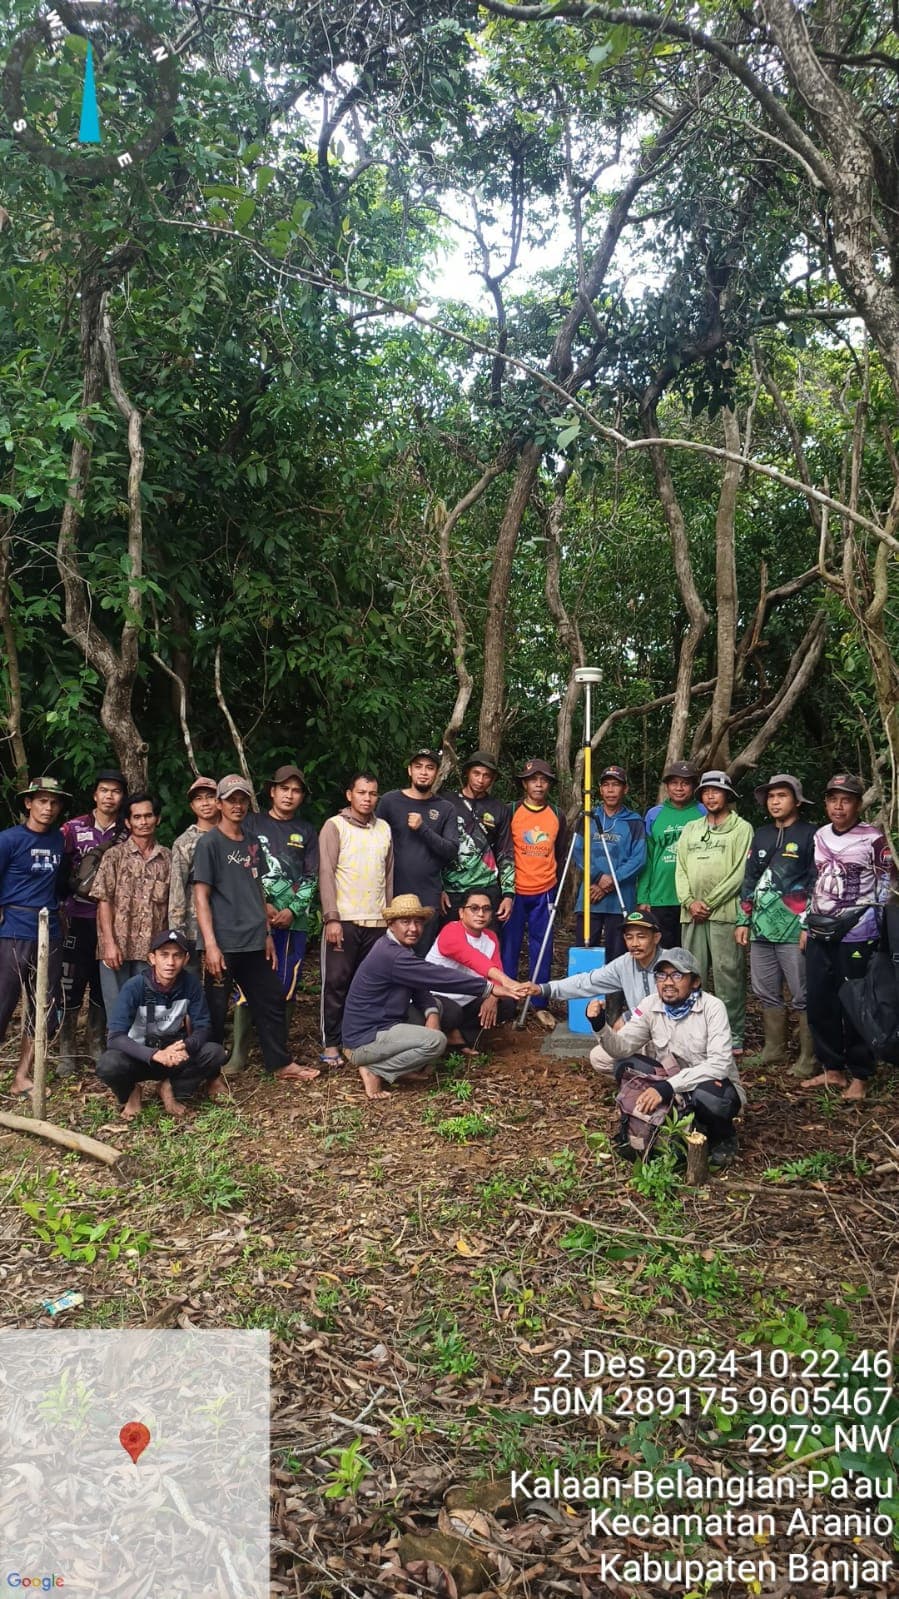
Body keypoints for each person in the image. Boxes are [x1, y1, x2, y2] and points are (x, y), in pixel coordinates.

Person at [192, 774, 319, 1084]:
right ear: (219, 804)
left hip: (253, 942)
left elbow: (257, 891)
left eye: (242, 799)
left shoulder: (251, 842)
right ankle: (209, 1075)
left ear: (248, 803)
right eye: (230, 799)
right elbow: (201, 896)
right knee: (215, 1010)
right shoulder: (209, 843)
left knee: (272, 998)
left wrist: (266, 935)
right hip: (223, 944)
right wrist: (209, 945)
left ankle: (280, 1063)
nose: (237, 805)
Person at [342, 893, 524, 1098]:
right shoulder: (391, 954)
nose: (413, 928)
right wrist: (488, 988)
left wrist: (432, 1013)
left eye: (418, 922)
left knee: (438, 1020)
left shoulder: (400, 948)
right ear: (391, 924)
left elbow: (419, 986)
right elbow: (439, 976)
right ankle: (377, 1070)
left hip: (383, 1026)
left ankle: (394, 1065)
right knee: (435, 1041)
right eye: (405, 922)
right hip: (365, 1039)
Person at [589, 948, 745, 1167]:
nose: (667, 982)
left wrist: (667, 1087)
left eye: (677, 975)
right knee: (624, 1065)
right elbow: (621, 1048)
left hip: (706, 1084)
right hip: (671, 1082)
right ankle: (654, 1124)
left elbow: (719, 1065)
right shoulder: (649, 1005)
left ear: (695, 982)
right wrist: (599, 1026)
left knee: (712, 1098)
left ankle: (723, 1137)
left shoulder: (713, 1007)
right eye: (661, 975)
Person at [801, 773, 894, 1102]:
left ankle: (861, 1074)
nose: (839, 806)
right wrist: (805, 924)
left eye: (847, 799)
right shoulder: (820, 835)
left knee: (855, 1002)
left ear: (857, 804)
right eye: (833, 799)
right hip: (820, 929)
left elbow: (886, 885)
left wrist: (877, 928)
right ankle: (832, 1068)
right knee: (820, 1001)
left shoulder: (873, 839)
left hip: (858, 933)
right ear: (826, 802)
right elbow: (816, 881)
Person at [96, 928, 226, 1120]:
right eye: (164, 955)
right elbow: (115, 1038)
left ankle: (170, 1087)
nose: (170, 963)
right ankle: (131, 1091)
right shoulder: (135, 986)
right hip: (140, 1056)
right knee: (109, 1064)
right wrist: (155, 1054)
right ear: (152, 958)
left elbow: (203, 1026)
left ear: (186, 959)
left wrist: (185, 1045)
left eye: (177, 956)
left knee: (214, 1053)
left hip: (175, 1054)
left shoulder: (190, 984)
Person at [238, 764, 319, 1072]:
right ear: (272, 791)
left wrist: (293, 909)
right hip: (255, 920)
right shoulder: (251, 824)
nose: (289, 795)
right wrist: (263, 908)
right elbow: (243, 868)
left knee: (287, 981)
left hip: (293, 922)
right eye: (284, 788)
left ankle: (278, 1052)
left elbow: (312, 875)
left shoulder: (307, 831)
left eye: (296, 790)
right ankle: (241, 1052)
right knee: (247, 983)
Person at [737, 774, 817, 1077]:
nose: (775, 802)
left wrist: (808, 925)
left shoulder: (811, 834)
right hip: (760, 929)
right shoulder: (761, 835)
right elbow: (749, 879)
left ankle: (809, 1057)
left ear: (796, 800)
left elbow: (816, 882)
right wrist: (744, 919)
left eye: (781, 796)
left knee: (801, 993)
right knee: (765, 990)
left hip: (794, 930)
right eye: (771, 797)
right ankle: (774, 1049)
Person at [675, 770, 753, 1054]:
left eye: (716, 791)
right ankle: (695, 1032)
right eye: (706, 791)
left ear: (727, 795)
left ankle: (732, 1035)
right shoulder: (691, 829)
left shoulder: (742, 828)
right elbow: (680, 869)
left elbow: (740, 873)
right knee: (692, 973)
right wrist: (688, 901)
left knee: (727, 973)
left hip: (723, 914)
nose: (710, 795)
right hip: (691, 913)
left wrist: (709, 902)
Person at [318, 772, 393, 1066]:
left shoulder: (384, 828)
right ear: (350, 794)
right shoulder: (334, 826)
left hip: (376, 921)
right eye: (362, 792)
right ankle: (331, 1043)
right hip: (345, 920)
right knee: (336, 983)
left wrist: (389, 918)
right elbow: (326, 872)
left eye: (373, 794)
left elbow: (388, 876)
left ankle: (357, 1040)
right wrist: (331, 918)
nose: (367, 798)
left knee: (366, 986)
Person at [0, 776, 69, 1096]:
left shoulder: (58, 841)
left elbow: (60, 886)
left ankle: (23, 1075)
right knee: (4, 1001)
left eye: (54, 802)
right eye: (42, 800)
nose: (48, 807)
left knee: (44, 1005)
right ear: (28, 803)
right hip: (14, 929)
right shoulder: (8, 840)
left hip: (50, 930)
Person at [533, 908, 665, 1073]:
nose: (635, 943)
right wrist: (544, 989)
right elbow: (587, 982)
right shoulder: (624, 963)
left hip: (671, 1035)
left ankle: (667, 1079)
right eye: (629, 937)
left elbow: (669, 1003)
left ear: (656, 938)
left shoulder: (670, 963)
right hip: (641, 1034)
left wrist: (629, 1016)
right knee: (599, 1057)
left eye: (642, 936)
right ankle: (651, 1076)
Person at [59, 767, 126, 1073]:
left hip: (111, 922)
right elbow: (59, 872)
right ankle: (67, 1048)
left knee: (103, 983)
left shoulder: (126, 832)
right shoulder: (73, 828)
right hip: (76, 916)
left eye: (115, 791)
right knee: (71, 981)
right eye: (104, 790)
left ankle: (96, 1041)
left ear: (121, 797)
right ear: (95, 794)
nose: (109, 796)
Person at [90, 791, 172, 1024]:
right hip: (117, 947)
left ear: (157, 819)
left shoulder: (167, 858)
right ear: (128, 821)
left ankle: (145, 1059)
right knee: (118, 1011)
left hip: (151, 952)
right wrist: (108, 943)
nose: (143, 822)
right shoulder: (114, 856)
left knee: (148, 1013)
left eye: (148, 816)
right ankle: (117, 1057)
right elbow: (103, 900)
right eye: (137, 817)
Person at [501, 758, 570, 1029]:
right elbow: (503, 849)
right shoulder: (512, 811)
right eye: (533, 779)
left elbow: (561, 851)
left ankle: (539, 1004)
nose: (539, 784)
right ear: (524, 783)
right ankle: (507, 1001)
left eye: (544, 780)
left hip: (545, 891)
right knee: (509, 947)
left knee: (542, 947)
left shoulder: (557, 815)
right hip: (515, 892)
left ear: (549, 784)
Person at [376, 748, 457, 954]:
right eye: (418, 767)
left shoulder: (445, 808)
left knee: (422, 957)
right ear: (409, 771)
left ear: (437, 773)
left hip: (428, 896)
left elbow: (451, 850)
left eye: (430, 768)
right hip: (391, 892)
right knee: (389, 953)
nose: (424, 772)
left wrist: (423, 829)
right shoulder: (389, 801)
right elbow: (373, 842)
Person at [426, 887, 522, 1050]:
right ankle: (456, 1037)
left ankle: (458, 1035)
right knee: (452, 1014)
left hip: (468, 1000)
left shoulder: (490, 937)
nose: (480, 914)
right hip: (436, 997)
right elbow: (473, 959)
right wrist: (505, 981)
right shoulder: (451, 931)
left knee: (507, 1004)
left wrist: (492, 998)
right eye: (474, 908)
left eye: (486, 909)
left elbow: (496, 971)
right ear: (462, 912)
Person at [573, 765, 645, 962]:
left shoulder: (634, 821)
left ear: (625, 789)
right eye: (606, 785)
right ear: (600, 789)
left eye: (616, 785)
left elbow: (638, 859)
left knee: (619, 958)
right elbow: (578, 851)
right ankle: (587, 993)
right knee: (586, 953)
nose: (611, 790)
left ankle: (617, 994)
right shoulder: (588, 818)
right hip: (590, 898)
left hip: (620, 900)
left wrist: (610, 882)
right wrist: (597, 877)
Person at [636, 761, 705, 950]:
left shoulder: (703, 812)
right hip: (661, 896)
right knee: (663, 954)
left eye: (685, 783)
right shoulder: (654, 815)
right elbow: (647, 858)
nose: (679, 788)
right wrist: (644, 897)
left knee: (691, 955)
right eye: (674, 783)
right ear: (667, 786)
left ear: (693, 786)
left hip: (693, 898)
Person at [441, 750, 515, 924]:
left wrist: (508, 894)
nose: (481, 780)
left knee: (488, 944)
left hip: (487, 889)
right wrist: (439, 889)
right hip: (453, 890)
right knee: (450, 944)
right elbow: (435, 848)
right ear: (467, 773)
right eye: (476, 773)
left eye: (487, 776)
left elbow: (505, 852)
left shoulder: (499, 809)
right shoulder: (446, 802)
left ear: (493, 779)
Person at [168, 775, 221, 967]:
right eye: (198, 799)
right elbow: (177, 890)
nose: (205, 803)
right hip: (193, 930)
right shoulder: (184, 842)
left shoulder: (232, 836)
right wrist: (176, 933)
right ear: (191, 806)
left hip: (227, 927)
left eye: (210, 797)